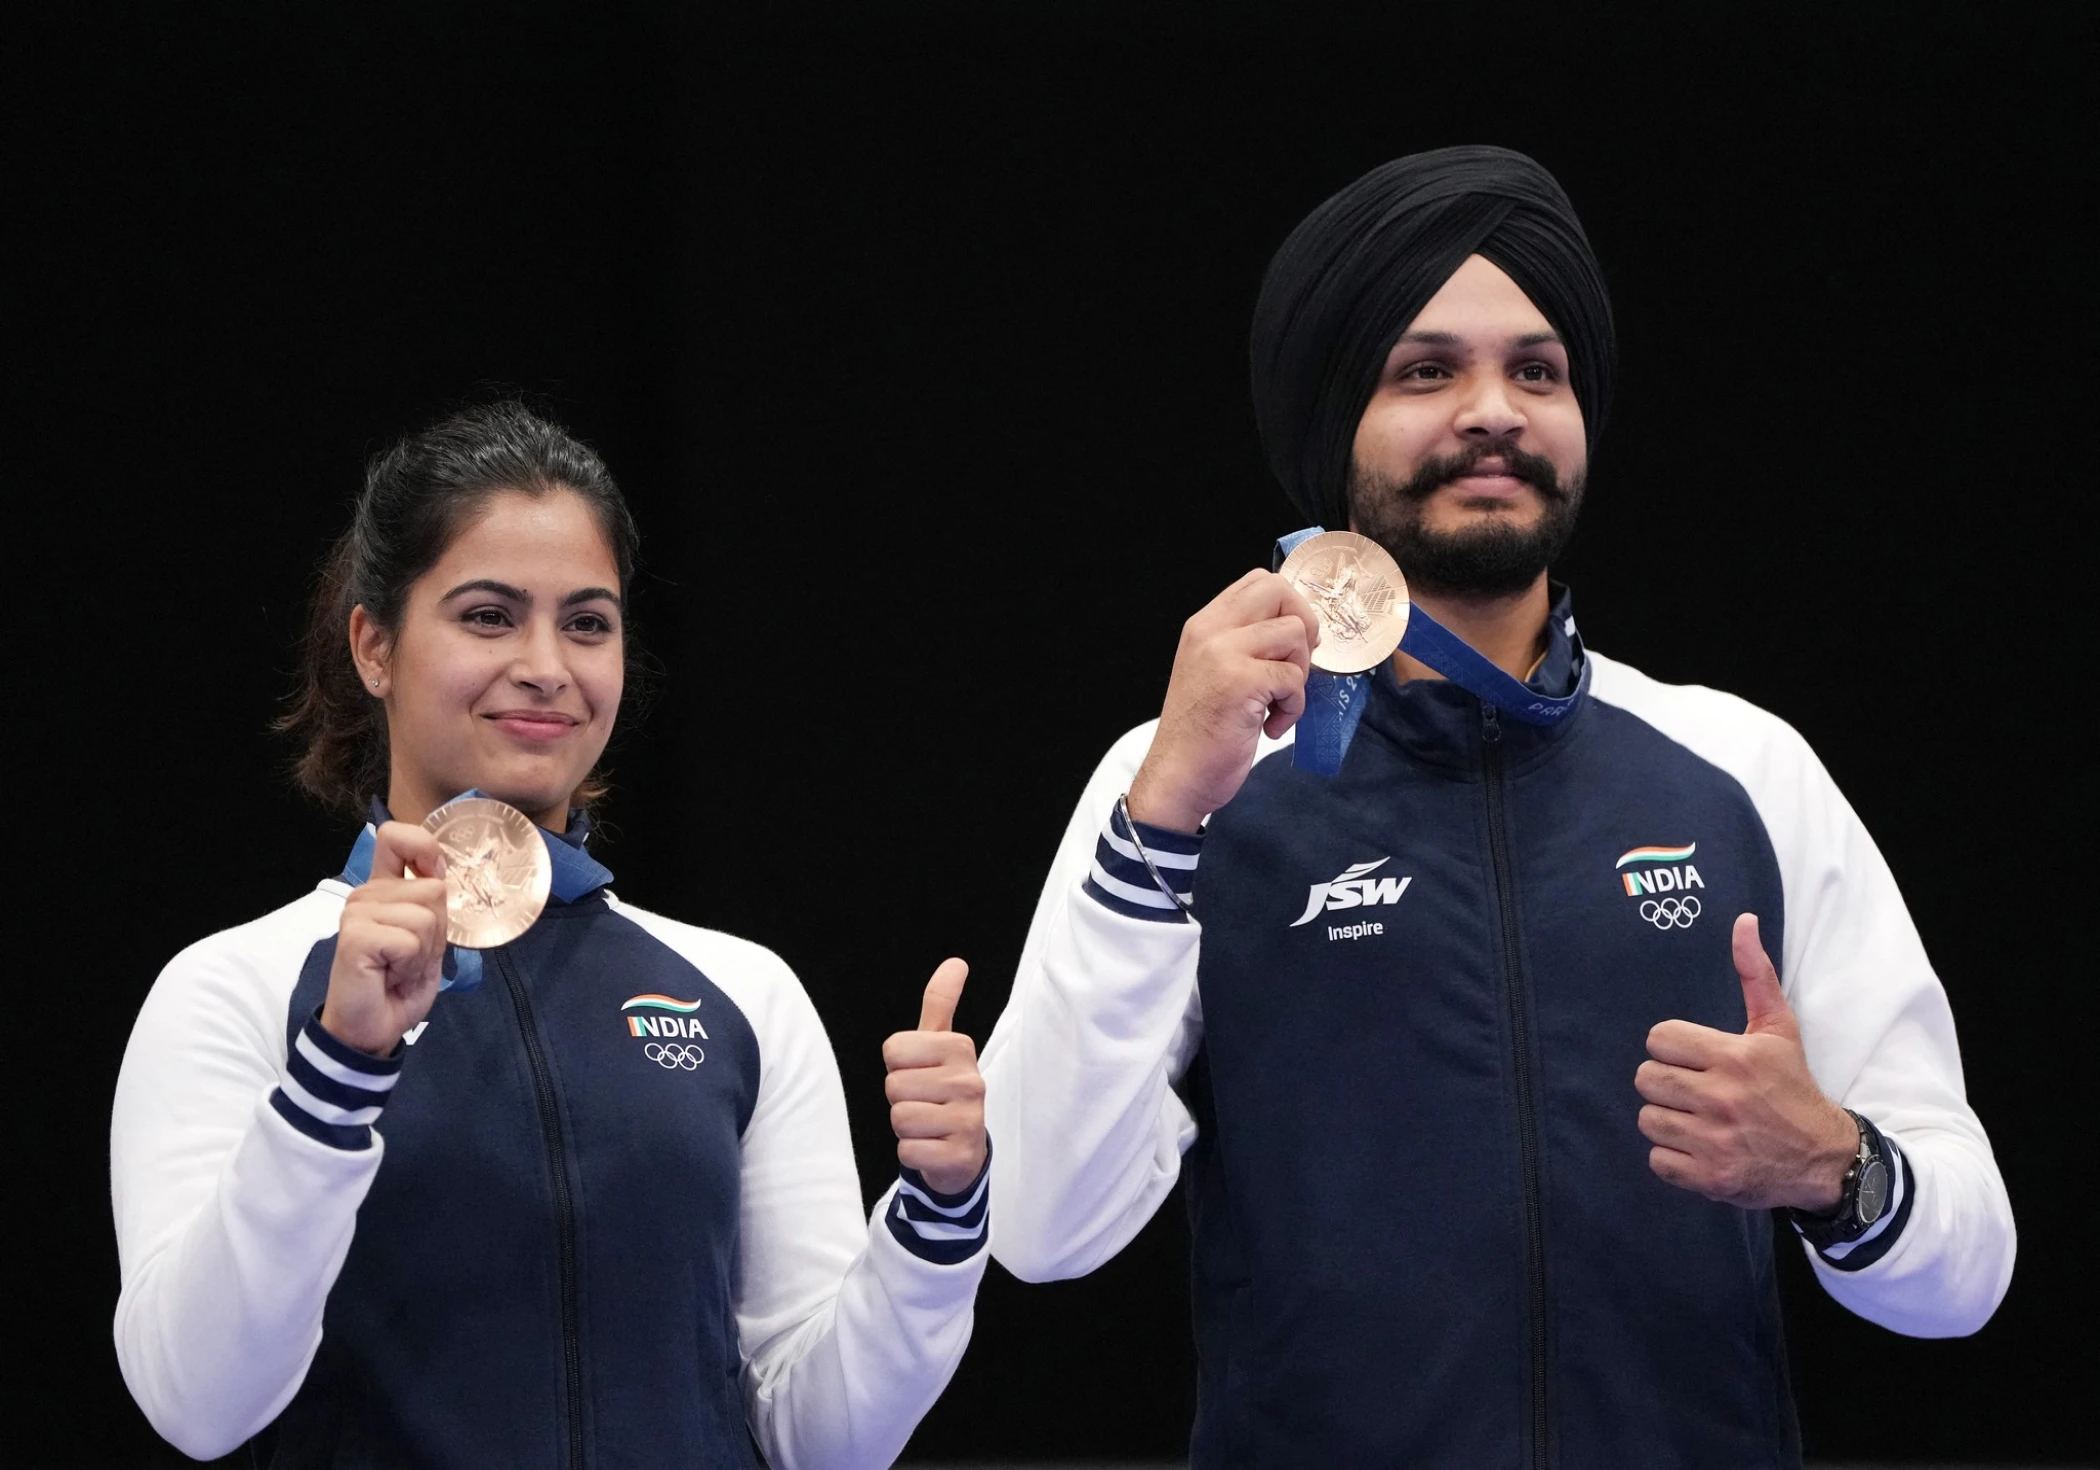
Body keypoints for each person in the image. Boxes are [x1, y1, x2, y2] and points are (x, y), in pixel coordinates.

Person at [979, 146, 2014, 1467]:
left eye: (1538, 369)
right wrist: (1163, 818)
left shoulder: (1742, 765)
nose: (1494, 410)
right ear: (1329, 424)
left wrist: (1835, 1167)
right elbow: (1041, 1225)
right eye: (1427, 370)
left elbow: (1963, 1274)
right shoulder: (1194, 775)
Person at [110, 403, 991, 1467]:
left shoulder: (740, 992)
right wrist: (336, 1075)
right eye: (488, 615)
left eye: (587, 622)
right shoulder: (235, 989)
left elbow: (820, 1440)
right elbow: (199, 1406)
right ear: (374, 646)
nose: (545, 665)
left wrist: (939, 1222)